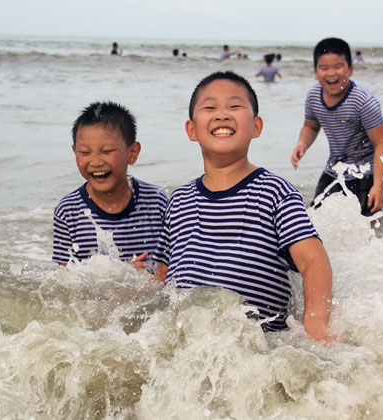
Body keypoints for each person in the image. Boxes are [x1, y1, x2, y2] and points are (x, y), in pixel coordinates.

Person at [152, 72, 333, 342]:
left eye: (235, 106)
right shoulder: (179, 200)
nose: (222, 114)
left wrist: (315, 326)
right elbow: (162, 276)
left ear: (256, 126)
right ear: (191, 129)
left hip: (257, 346)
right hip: (186, 343)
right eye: (210, 107)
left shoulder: (274, 192)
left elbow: (313, 261)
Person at [52, 101, 168, 269]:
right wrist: (121, 274)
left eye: (106, 152)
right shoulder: (68, 211)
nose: (96, 162)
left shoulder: (157, 202)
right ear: (74, 152)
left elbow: (171, 265)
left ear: (133, 152)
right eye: (84, 152)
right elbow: (65, 281)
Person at [291, 37, 383, 217]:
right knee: (315, 216)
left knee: (363, 221)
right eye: (324, 68)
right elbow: (311, 126)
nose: (331, 73)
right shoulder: (314, 96)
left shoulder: (363, 101)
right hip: (335, 168)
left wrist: (378, 185)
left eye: (338, 66)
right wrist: (302, 144)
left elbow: (381, 144)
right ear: (315, 72)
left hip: (366, 170)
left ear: (350, 70)